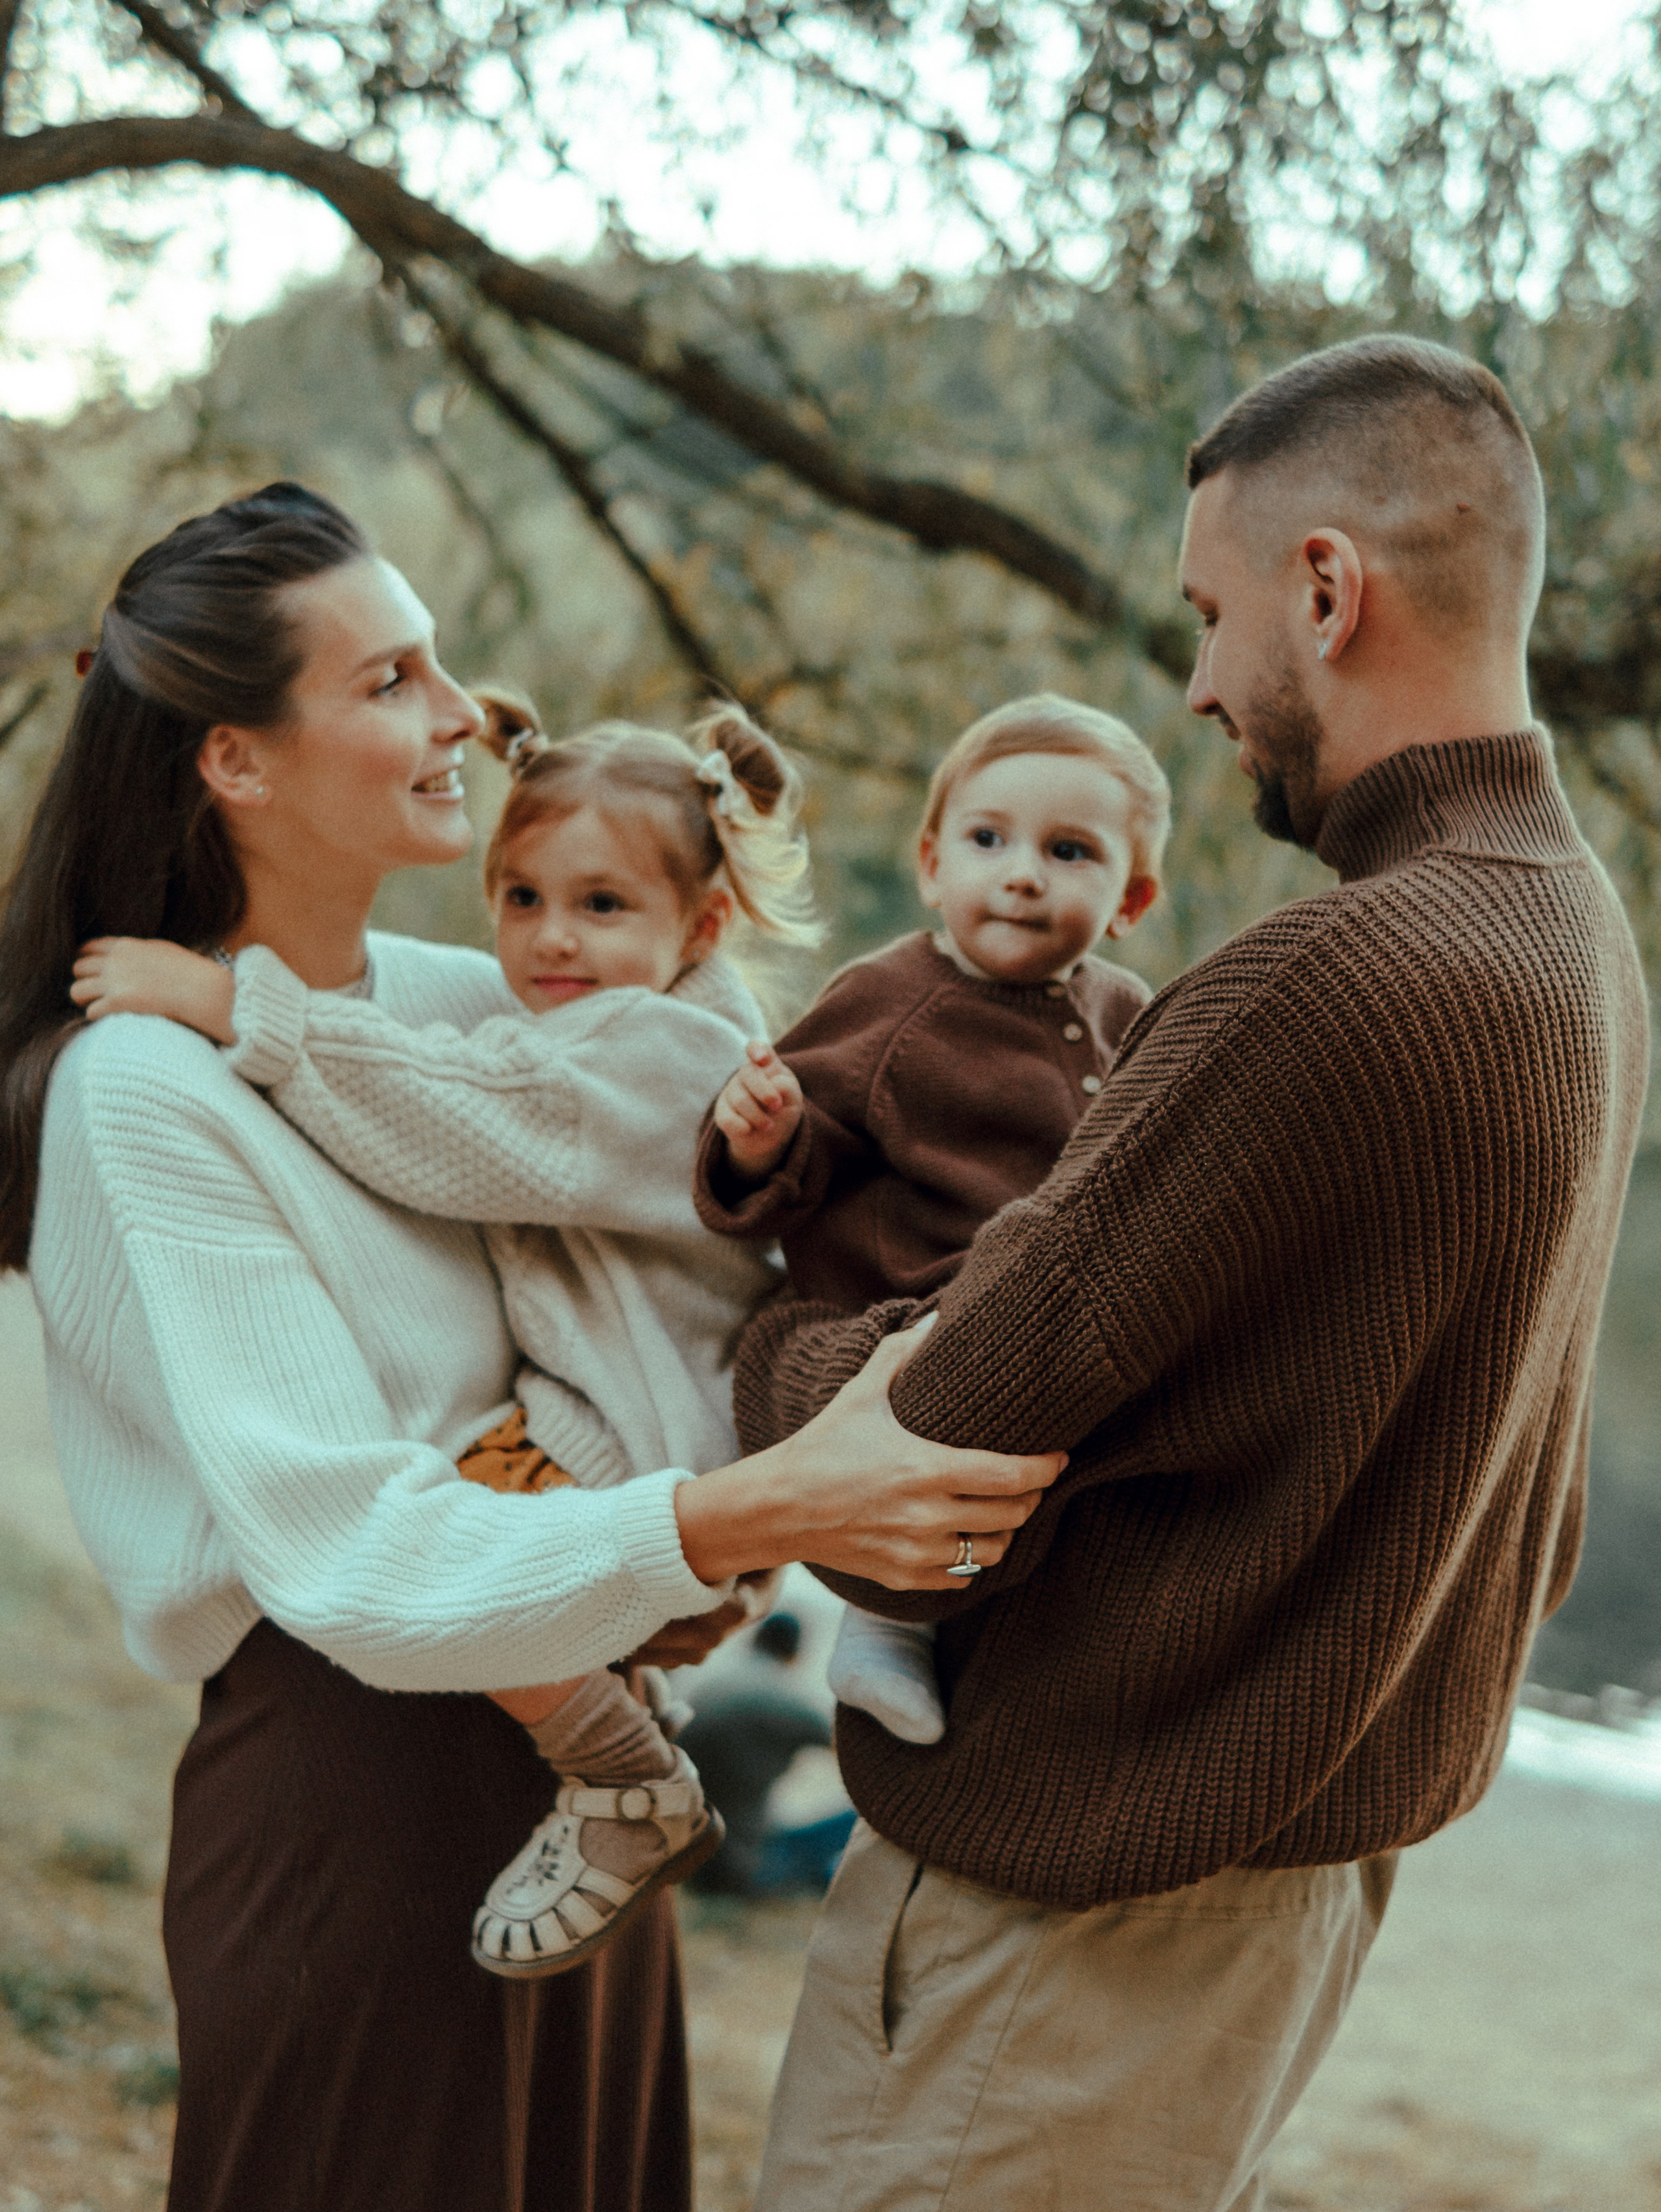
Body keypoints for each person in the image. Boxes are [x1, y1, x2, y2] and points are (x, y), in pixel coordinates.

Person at [0, 482, 1065, 2212]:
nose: (460, 716)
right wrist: (753, 1512)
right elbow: (352, 1551)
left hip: (591, 1779)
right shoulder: (144, 1087)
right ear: (236, 760)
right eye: (391, 680)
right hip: (362, 1803)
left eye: (437, 661)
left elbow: (703, 1152)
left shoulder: (479, 1006)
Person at [731, 337, 1649, 2211]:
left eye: (1209, 616)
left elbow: (910, 1467)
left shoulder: (1328, 981)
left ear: (1326, 590)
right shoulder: (1580, 937)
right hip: (1275, 1894)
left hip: (1069, 1927)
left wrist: (762, 1325)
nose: (1201, 685)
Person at [69, 685, 817, 1981]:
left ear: (700, 925)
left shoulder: (656, 1054)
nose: (550, 939)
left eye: (601, 905)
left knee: (451, 1541)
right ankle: (625, 1712)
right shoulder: (627, 1020)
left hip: (632, 1422)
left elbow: (454, 1116)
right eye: (521, 897)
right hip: (629, 1408)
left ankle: (623, 1777)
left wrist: (230, 1003)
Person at [694, 694, 1168, 1742]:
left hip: (1052, 1324)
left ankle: (1031, 1622)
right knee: (943, 1447)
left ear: (1131, 898)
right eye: (988, 839)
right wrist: (763, 1139)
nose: (1023, 873)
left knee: (1063, 1465)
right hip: (905, 1319)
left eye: (1070, 851)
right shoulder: (892, 998)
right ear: (931, 864)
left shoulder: (1129, 1014)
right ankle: (884, 1622)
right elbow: (803, 1151)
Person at [677, 1611, 844, 1898]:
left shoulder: (711, 1685)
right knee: (860, 1818)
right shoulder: (787, 1700)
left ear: (754, 1640)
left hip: (686, 1861)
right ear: (795, 1654)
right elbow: (852, 1753)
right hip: (746, 1866)